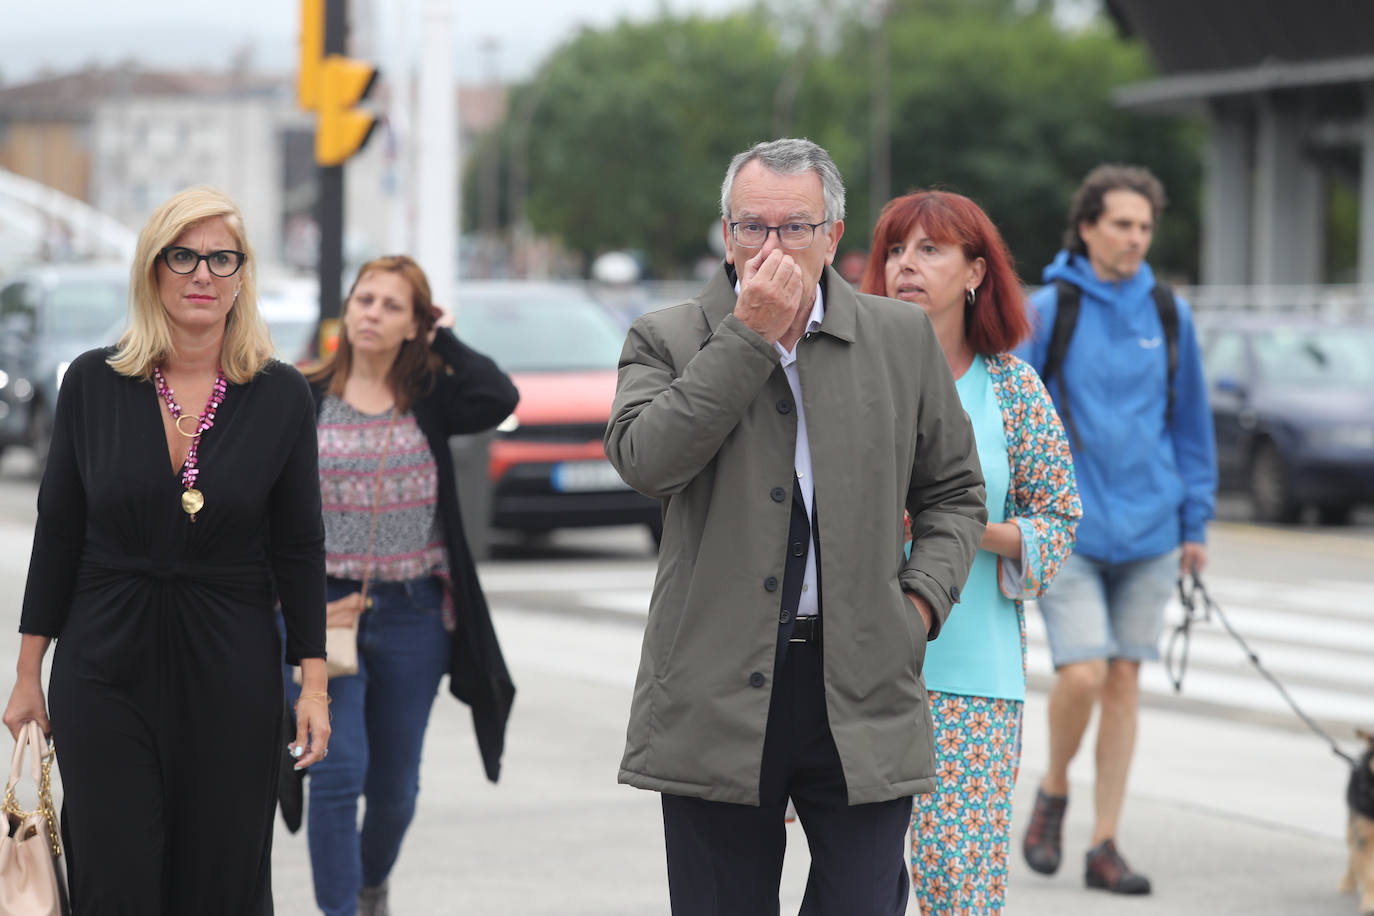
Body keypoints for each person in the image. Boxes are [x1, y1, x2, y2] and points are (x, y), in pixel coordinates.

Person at [605, 138, 988, 915]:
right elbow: (646, 460)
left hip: (863, 679)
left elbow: (954, 493)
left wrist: (916, 608)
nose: (770, 247)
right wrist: (746, 336)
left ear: (833, 236)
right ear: (725, 234)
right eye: (752, 227)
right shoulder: (668, 336)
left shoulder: (898, 337)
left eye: (793, 227)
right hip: (716, 685)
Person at [2, 186, 330, 914]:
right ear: (153, 271)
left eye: (222, 257)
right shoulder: (92, 381)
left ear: (243, 275)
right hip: (104, 666)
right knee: (115, 882)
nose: (202, 274)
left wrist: (312, 683)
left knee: (218, 881)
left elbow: (301, 548)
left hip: (231, 667)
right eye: (183, 256)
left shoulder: (280, 396)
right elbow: (57, 531)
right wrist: (28, 672)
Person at [860, 190, 1081, 914]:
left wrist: (959, 524)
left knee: (958, 885)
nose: (905, 266)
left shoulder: (1012, 389)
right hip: (849, 672)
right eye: (894, 250)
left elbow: (1057, 520)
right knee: (853, 882)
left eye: (930, 249)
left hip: (972, 677)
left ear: (976, 272)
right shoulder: (849, 376)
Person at [292, 254, 519, 916]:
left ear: (414, 324)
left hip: (416, 613)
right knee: (337, 776)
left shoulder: (433, 399)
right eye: (365, 299)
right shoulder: (303, 396)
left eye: (393, 306)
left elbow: (500, 396)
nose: (372, 314)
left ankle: (370, 885)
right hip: (324, 613)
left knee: (396, 791)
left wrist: (441, 337)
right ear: (346, 308)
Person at [1016, 164, 1217, 895]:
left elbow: (1191, 423)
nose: (1135, 238)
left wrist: (1195, 519)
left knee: (1126, 679)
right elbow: (1013, 411)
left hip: (1153, 529)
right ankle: (1055, 787)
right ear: (1089, 227)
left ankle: (1104, 844)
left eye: (1145, 226)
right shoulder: (1048, 309)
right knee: (1084, 671)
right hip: (1068, 528)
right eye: (1122, 224)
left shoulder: (1170, 312)